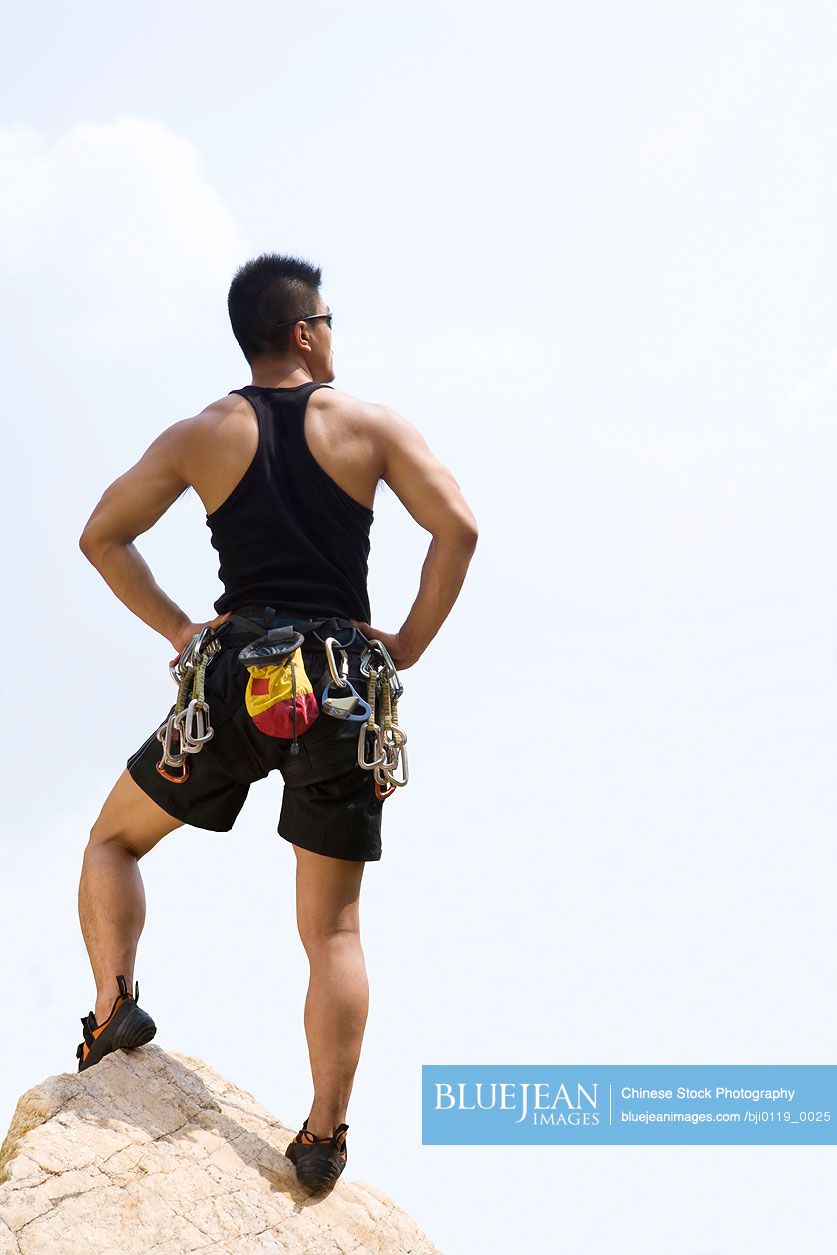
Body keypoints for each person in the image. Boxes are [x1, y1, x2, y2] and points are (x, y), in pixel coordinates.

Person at [75, 252, 479, 1194]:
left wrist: (179, 628)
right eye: (329, 318)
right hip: (338, 686)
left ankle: (112, 1003)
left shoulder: (201, 432)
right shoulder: (369, 424)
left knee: (112, 840)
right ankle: (324, 1135)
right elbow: (456, 525)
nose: (334, 333)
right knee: (332, 931)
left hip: (235, 679)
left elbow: (101, 533)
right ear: (303, 329)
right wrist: (408, 643)